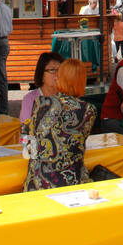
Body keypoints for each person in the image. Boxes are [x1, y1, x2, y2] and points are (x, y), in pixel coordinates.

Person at [23, 59, 96, 190]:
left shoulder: (40, 102)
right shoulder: (88, 110)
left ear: (59, 78)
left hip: (37, 182)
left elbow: (29, 142)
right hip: (72, 182)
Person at [21, 51, 63, 122]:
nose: (57, 74)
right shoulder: (30, 99)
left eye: (60, 70)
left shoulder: (67, 97)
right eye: (52, 70)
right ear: (41, 74)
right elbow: (25, 128)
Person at [0, 0, 13, 116]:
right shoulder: (6, 8)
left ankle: (3, 109)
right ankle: (2, 108)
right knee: (0, 75)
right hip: (4, 41)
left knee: (1, 76)